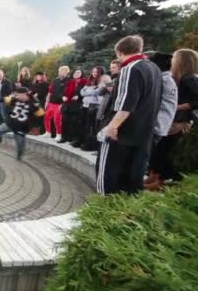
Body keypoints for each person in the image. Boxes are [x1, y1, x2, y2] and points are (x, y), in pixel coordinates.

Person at [96, 35, 162, 195]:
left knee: (108, 178)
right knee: (132, 180)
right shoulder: (154, 68)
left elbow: (126, 104)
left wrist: (112, 127)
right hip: (143, 132)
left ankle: (104, 209)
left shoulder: (130, 68)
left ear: (119, 52)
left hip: (121, 133)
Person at [144, 49, 198, 190]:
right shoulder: (179, 78)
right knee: (158, 150)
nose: (171, 61)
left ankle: (164, 179)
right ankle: (155, 175)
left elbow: (195, 101)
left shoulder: (189, 79)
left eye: (175, 58)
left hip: (179, 122)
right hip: (173, 120)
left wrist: (176, 107)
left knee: (162, 150)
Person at [0, 87, 45, 160]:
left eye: (18, 95)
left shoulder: (34, 103)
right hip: (10, 123)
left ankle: (19, 156)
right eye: (16, 95)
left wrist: (36, 127)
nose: (17, 96)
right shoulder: (15, 99)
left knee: (20, 145)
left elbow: (41, 115)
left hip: (22, 127)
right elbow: (4, 99)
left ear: (25, 94)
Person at [76, 66, 105, 150]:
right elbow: (82, 92)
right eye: (93, 72)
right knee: (83, 125)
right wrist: (90, 92)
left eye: (96, 72)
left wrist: (88, 92)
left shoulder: (102, 82)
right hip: (85, 105)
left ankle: (90, 145)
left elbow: (97, 92)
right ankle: (82, 141)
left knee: (91, 126)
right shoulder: (90, 81)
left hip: (94, 106)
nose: (94, 73)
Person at [41, 66, 70, 141]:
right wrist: (47, 102)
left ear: (67, 72)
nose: (62, 72)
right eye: (60, 71)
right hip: (51, 102)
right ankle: (48, 132)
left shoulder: (69, 81)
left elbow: (69, 93)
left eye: (64, 71)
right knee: (46, 117)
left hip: (60, 103)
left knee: (57, 119)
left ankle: (59, 134)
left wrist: (64, 103)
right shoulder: (55, 80)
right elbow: (50, 92)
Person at [60, 69, 87, 144]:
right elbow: (62, 91)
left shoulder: (84, 82)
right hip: (67, 104)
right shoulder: (69, 81)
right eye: (75, 72)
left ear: (82, 74)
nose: (76, 73)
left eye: (78, 72)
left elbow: (86, 93)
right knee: (64, 121)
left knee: (74, 122)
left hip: (76, 105)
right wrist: (63, 96)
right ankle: (64, 137)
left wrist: (79, 97)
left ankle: (73, 138)